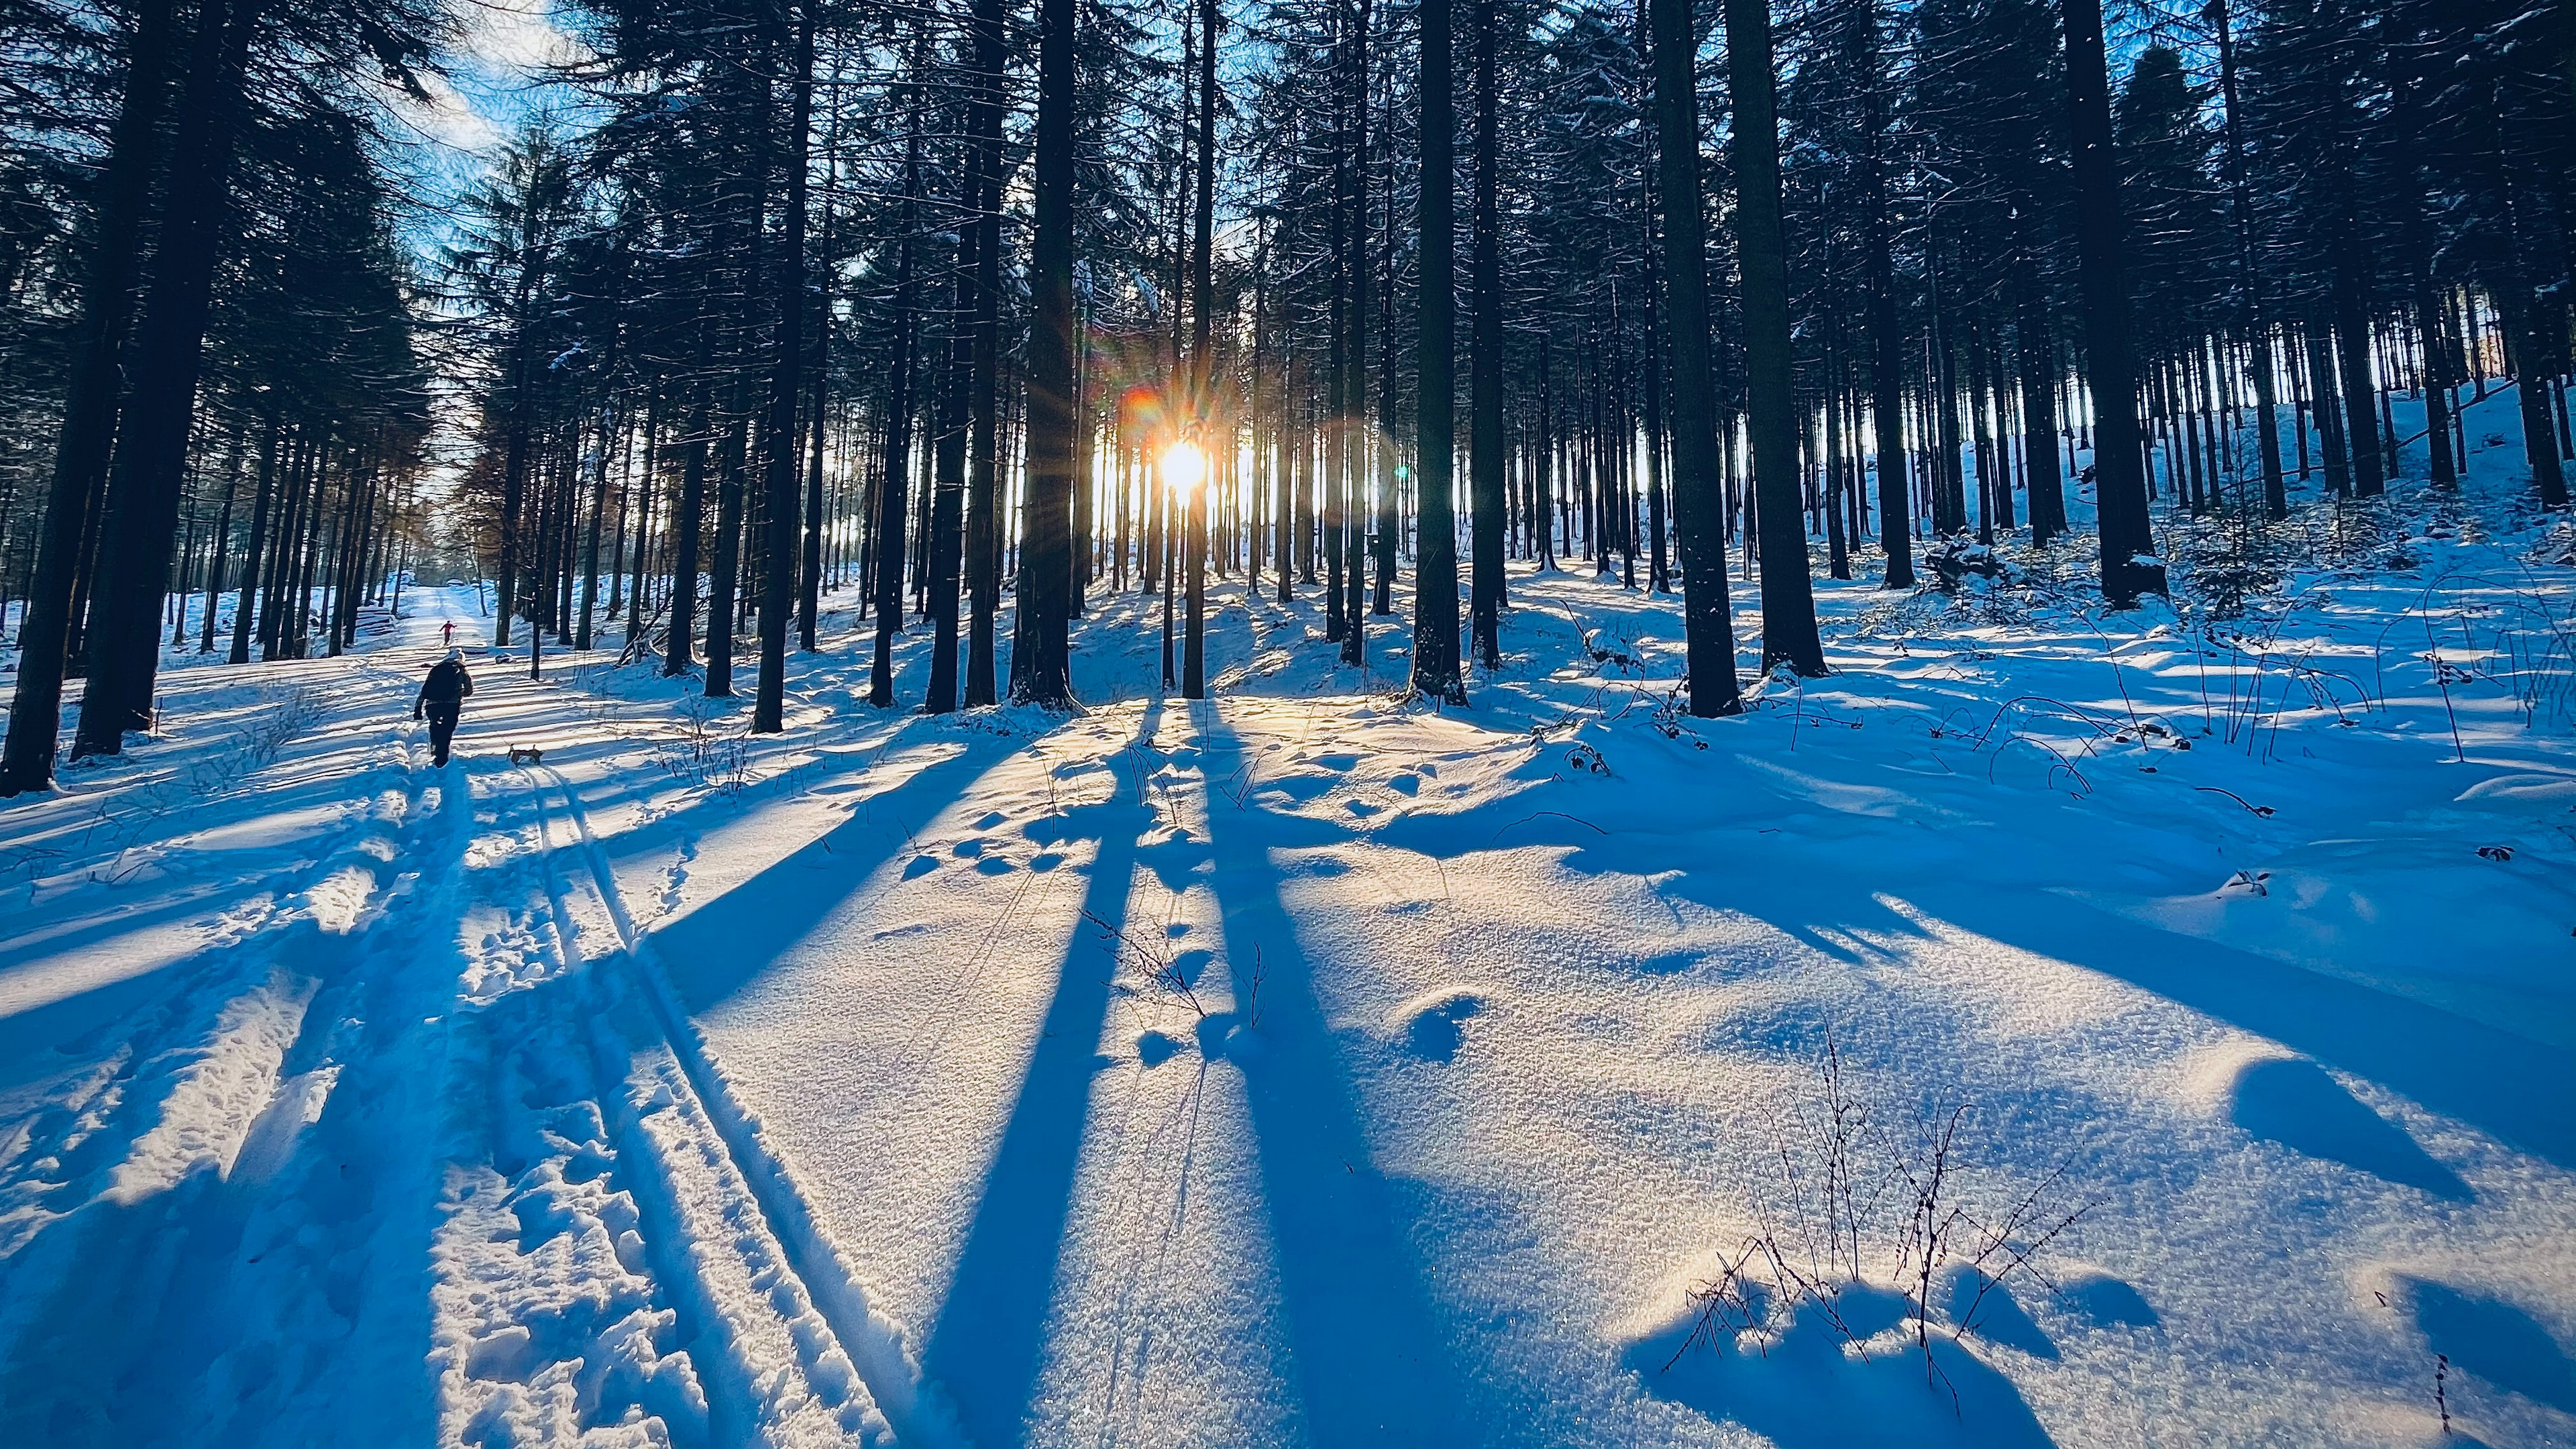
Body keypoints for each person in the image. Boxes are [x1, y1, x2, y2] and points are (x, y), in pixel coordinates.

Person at [415, 647, 474, 767]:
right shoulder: (462, 671)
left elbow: (425, 690)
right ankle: (442, 758)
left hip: (433, 705)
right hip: (452, 705)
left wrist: (418, 709)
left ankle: (435, 743)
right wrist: (459, 694)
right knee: (447, 730)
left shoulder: (436, 669)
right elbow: (469, 691)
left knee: (435, 725)